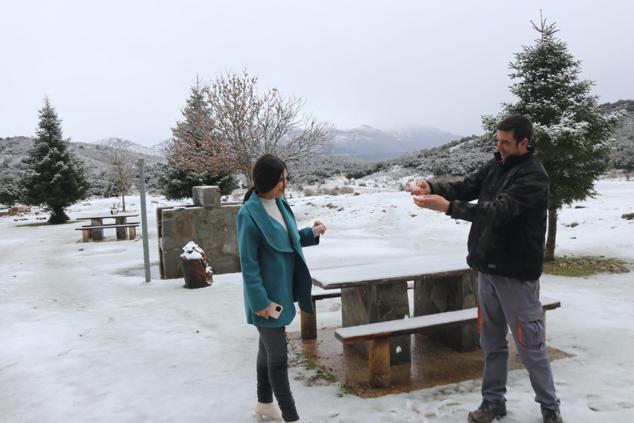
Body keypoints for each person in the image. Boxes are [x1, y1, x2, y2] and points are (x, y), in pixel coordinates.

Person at [406, 114, 563, 423]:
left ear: (524, 143)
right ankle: (493, 402)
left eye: (506, 142)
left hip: (516, 276)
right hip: (487, 270)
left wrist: (448, 208)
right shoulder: (496, 165)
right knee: (491, 342)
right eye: (498, 141)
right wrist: (431, 185)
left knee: (530, 345)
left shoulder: (533, 175)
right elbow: (467, 186)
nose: (500, 147)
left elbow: (499, 211)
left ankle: (549, 408)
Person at [237, 154, 326, 423]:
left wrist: (312, 232)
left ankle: (264, 403)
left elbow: (288, 238)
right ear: (265, 180)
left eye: (286, 179)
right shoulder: (248, 214)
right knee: (277, 357)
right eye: (280, 180)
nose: (284, 185)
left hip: (284, 290)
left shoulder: (281, 203)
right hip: (266, 298)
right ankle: (291, 417)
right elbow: (248, 264)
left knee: (266, 351)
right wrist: (260, 302)